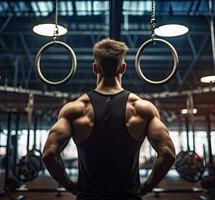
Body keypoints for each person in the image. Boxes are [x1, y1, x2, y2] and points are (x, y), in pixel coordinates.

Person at [42, 38, 176, 200]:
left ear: (94, 68)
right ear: (123, 68)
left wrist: (70, 185)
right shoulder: (142, 109)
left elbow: (49, 154)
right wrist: (146, 187)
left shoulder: (75, 109)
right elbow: (168, 154)